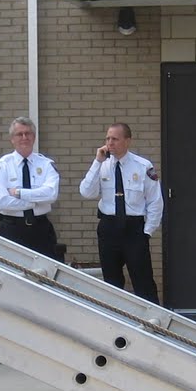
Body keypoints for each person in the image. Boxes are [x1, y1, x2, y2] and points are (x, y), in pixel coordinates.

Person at [79, 122, 163, 302]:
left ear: (127, 141)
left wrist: (147, 232)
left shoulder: (142, 166)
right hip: (109, 228)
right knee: (112, 283)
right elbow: (86, 192)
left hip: (134, 230)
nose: (110, 143)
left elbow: (155, 201)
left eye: (115, 139)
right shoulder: (102, 165)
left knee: (143, 281)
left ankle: (153, 326)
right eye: (108, 138)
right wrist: (97, 162)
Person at [0, 115, 63, 260]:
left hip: (41, 229)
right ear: (12, 139)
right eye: (19, 134)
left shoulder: (46, 164)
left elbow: (51, 194)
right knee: (11, 276)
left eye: (28, 133)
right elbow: (1, 202)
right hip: (11, 229)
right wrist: (34, 202)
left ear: (34, 137)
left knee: (45, 276)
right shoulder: (2, 166)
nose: (24, 137)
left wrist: (18, 193)